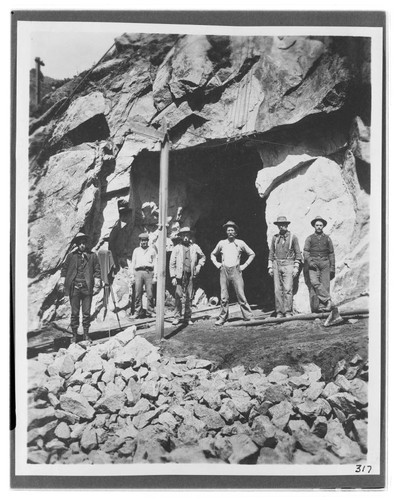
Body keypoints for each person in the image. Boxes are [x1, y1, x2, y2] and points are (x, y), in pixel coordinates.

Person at [59, 232, 101, 343]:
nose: (82, 245)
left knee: (86, 313)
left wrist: (97, 284)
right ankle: (74, 336)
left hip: (87, 288)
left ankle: (86, 335)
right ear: (77, 244)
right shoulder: (71, 256)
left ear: (86, 244)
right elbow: (64, 269)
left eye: (84, 243)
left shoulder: (92, 256)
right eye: (80, 243)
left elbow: (97, 270)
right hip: (75, 288)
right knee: (75, 313)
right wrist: (63, 282)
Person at [211, 221, 255, 326]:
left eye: (232, 230)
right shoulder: (221, 243)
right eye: (228, 230)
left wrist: (244, 265)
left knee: (241, 294)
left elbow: (252, 253)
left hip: (236, 270)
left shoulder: (240, 243)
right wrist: (218, 264)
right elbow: (212, 254)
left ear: (235, 232)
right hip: (224, 271)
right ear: (226, 232)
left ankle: (248, 316)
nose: (230, 232)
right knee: (224, 297)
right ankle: (222, 318)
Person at [169, 227, 206, 326]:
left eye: (187, 235)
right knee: (178, 296)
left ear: (190, 236)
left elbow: (203, 257)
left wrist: (198, 266)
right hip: (179, 275)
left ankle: (188, 317)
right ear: (180, 236)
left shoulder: (195, 247)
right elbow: (171, 263)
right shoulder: (177, 248)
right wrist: (173, 277)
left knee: (189, 296)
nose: (185, 237)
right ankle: (177, 317)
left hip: (190, 275)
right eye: (183, 235)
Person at [268, 216, 302, 318]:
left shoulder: (293, 237)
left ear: (287, 225)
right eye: (279, 225)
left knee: (287, 289)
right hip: (276, 264)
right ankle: (279, 312)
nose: (281, 226)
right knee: (277, 290)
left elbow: (298, 254)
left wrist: (296, 266)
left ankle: (288, 312)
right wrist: (270, 266)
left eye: (283, 224)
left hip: (289, 264)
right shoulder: (275, 238)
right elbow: (271, 253)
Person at [303, 215, 335, 312]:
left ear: (323, 226)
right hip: (313, 264)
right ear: (314, 226)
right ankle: (327, 301)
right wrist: (310, 262)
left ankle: (323, 307)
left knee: (325, 285)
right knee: (314, 283)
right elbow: (305, 252)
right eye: (317, 225)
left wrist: (332, 267)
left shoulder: (328, 239)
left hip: (325, 263)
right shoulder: (309, 238)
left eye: (321, 225)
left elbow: (331, 253)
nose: (319, 227)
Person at [128, 233, 157, 319]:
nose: (143, 242)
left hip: (149, 272)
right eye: (142, 240)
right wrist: (132, 275)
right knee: (138, 293)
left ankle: (150, 311)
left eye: (145, 240)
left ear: (148, 241)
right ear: (140, 241)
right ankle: (137, 312)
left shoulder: (152, 250)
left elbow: (155, 263)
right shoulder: (136, 250)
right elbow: (133, 263)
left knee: (150, 293)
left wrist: (155, 276)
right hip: (138, 272)